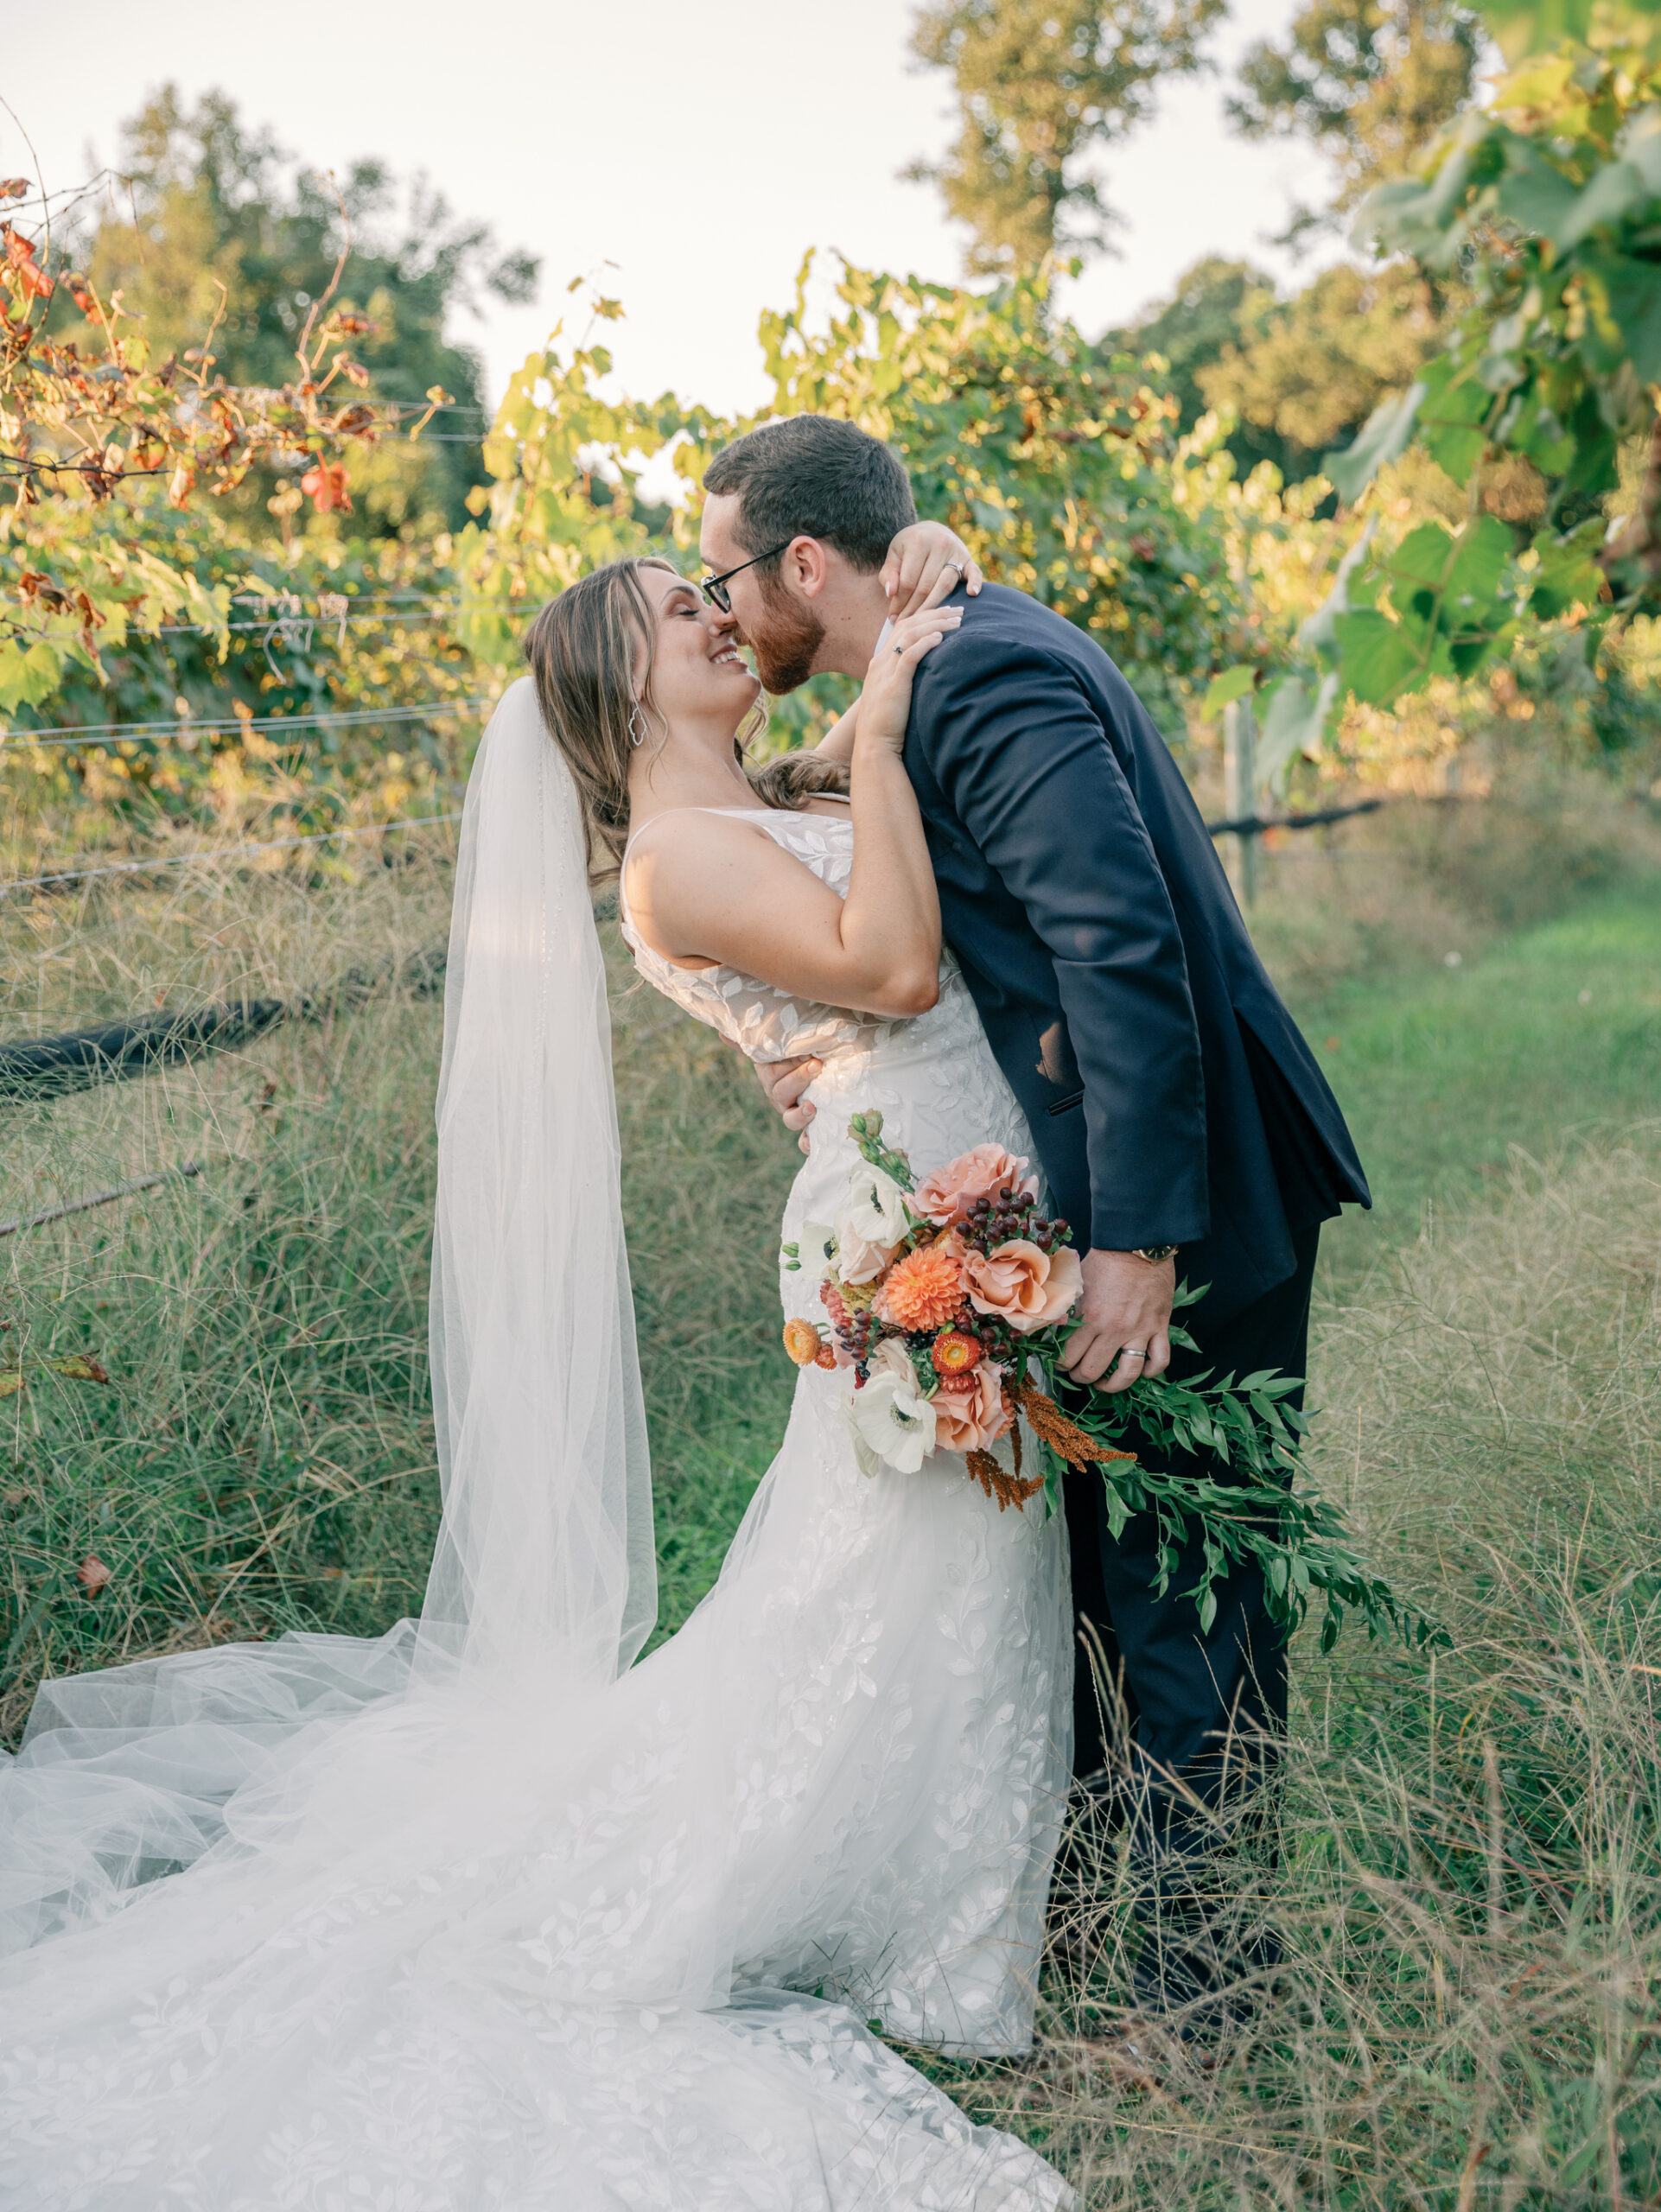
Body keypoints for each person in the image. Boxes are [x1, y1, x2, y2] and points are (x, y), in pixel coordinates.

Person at [0, 519, 1079, 2209]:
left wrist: (902, 595)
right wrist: (872, 729)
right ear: (609, 682)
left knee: (924, 1553)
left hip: (926, 1170)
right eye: (676, 614)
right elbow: (889, 962)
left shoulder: (745, 796)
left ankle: (929, 1880)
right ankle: (858, 1888)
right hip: (900, 1213)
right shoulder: (670, 856)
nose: (717, 617)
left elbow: (853, 941)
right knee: (907, 1552)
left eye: (709, 592)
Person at [698, 415, 1370, 2025]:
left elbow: (1118, 949)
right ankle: (1105, 1935)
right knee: (1111, 1579)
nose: (723, 613)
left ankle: (1202, 2001)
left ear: (806, 561)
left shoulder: (983, 673)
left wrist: (1138, 1244)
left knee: (1181, 1592)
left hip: (1186, 1196)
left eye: (727, 575)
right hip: (1084, 1188)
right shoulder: (933, 663)